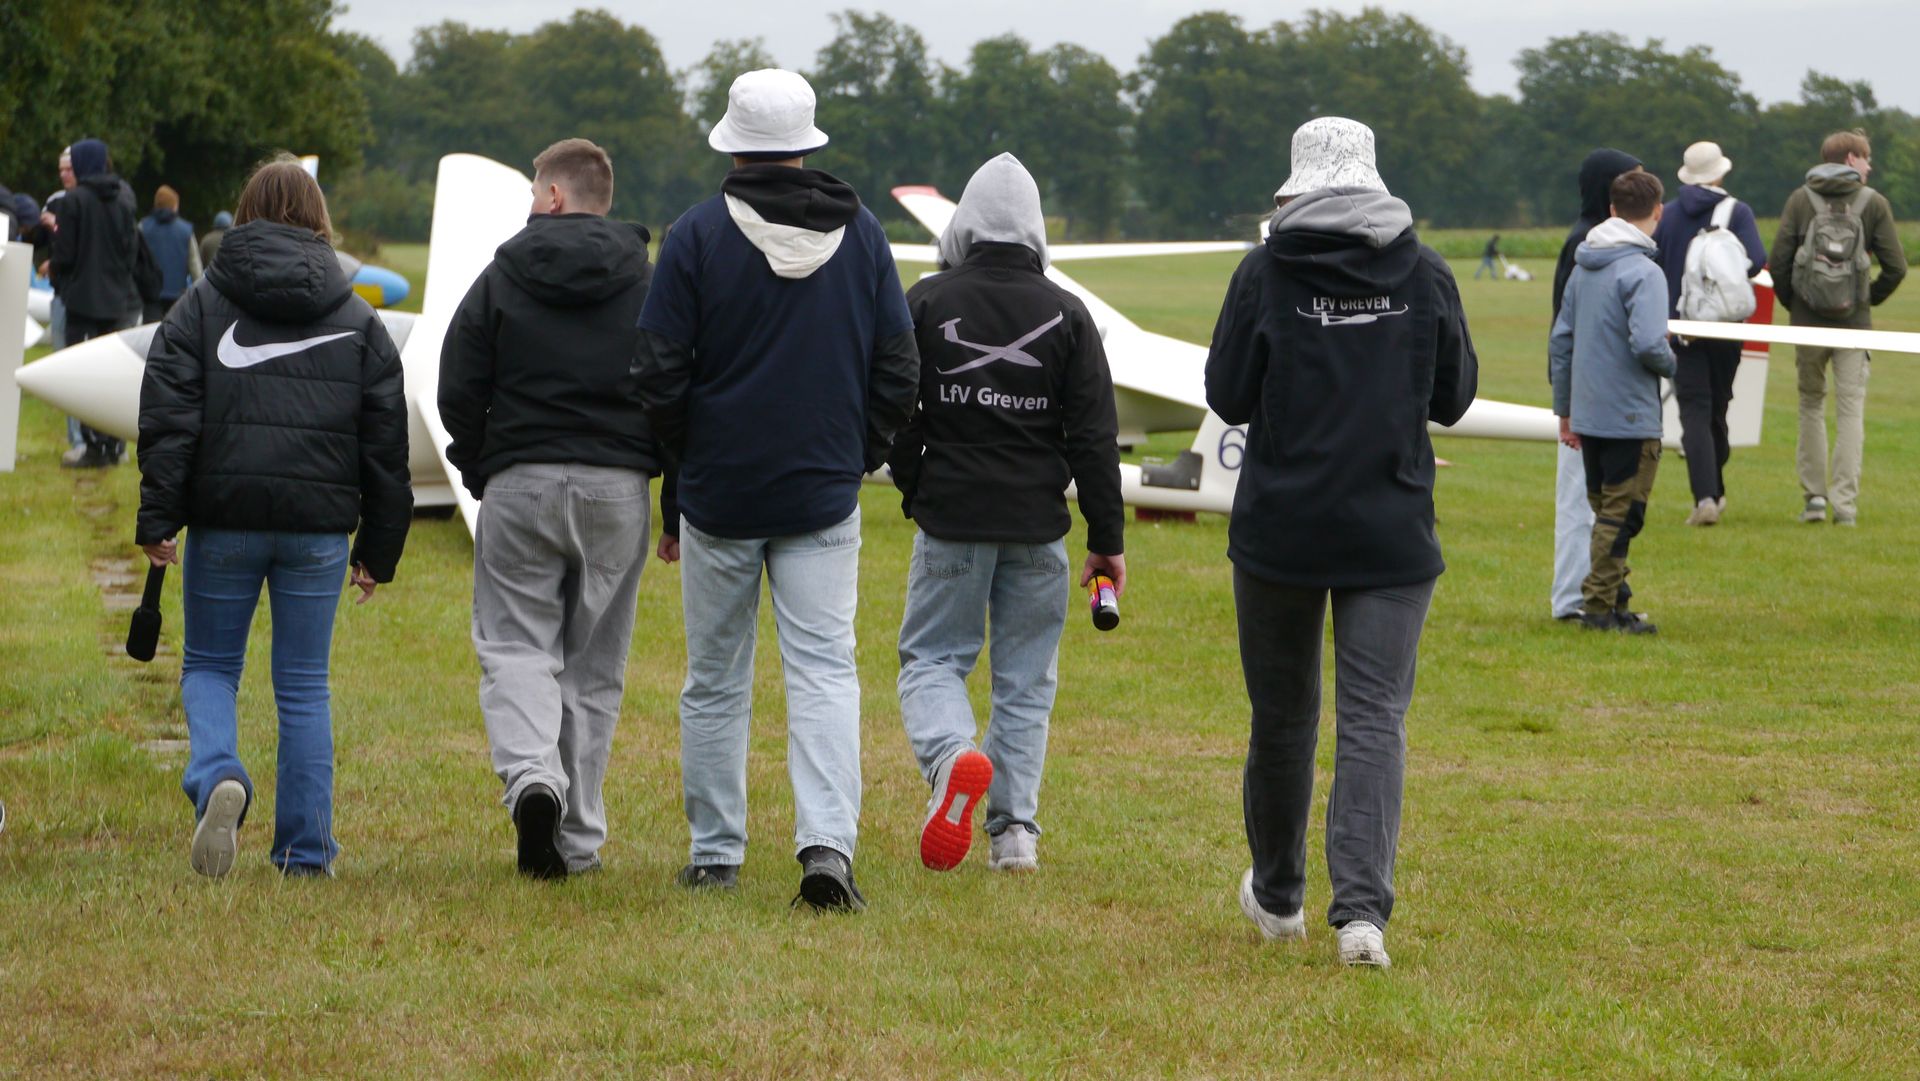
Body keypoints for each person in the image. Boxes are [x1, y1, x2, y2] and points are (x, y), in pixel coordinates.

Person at [634, 69, 919, 911]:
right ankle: (827, 847)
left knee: (714, 678)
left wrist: (689, 464)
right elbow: (898, 366)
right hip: (822, 492)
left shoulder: (693, 235)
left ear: (731, 142)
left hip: (721, 493)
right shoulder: (863, 234)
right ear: (806, 144)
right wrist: (857, 454)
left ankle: (715, 851)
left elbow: (658, 373)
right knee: (826, 671)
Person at [1206, 117, 1478, 969]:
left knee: (1282, 718)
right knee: (1373, 721)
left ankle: (1281, 895)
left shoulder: (1265, 271)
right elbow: (1455, 398)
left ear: (1296, 185)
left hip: (1283, 525)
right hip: (1391, 529)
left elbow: (1226, 389)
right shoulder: (1424, 269)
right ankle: (1361, 914)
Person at [134, 156, 412, 878]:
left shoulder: (199, 304)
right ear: (318, 217)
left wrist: (159, 517)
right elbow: (386, 442)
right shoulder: (359, 316)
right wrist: (378, 548)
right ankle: (306, 851)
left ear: (246, 211)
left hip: (223, 521)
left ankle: (218, 773)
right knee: (303, 683)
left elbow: (168, 418)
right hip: (318, 529)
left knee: (210, 665)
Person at [889, 153, 1125, 875]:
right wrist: (1107, 541)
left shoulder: (924, 301)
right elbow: (1093, 434)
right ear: (1035, 230)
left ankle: (953, 754)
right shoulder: (1069, 313)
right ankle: (1014, 832)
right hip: (1037, 527)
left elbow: (896, 405)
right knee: (1026, 679)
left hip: (951, 517)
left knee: (932, 658)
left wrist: (915, 484)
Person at [438, 138, 663, 879]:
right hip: (617, 487)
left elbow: (459, 380)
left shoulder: (503, 274)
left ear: (556, 196)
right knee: (595, 667)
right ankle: (581, 839)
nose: (530, 201)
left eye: (535, 188)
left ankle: (534, 778)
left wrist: (479, 467)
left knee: (514, 646)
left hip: (521, 478)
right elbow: (674, 381)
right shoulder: (647, 282)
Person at [1550, 170, 1675, 635]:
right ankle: (1599, 609)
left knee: (1605, 510)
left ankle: (1616, 601)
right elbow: (1648, 343)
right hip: (1630, 415)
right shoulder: (1644, 271)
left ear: (1612, 210)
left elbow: (1561, 342)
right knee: (1623, 516)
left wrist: (1566, 409)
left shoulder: (1585, 268)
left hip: (1588, 411)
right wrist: (1672, 362)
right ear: (1657, 212)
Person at [1769, 129, 1907, 527]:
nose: (1869, 165)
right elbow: (1896, 267)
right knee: (1850, 411)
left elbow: (1778, 262)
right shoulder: (1873, 202)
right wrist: (1867, 300)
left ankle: (1814, 499)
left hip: (1807, 323)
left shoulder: (1800, 199)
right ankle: (1845, 506)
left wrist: (1796, 305)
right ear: (1849, 159)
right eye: (1865, 157)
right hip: (1854, 325)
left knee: (1810, 406)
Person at [1651, 142, 1767, 526]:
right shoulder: (1738, 212)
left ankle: (1706, 496)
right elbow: (1756, 263)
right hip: (1727, 328)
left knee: (1694, 413)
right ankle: (1714, 491)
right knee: (1719, 409)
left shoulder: (1666, 216)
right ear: (1719, 173)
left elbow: (1656, 265)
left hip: (1681, 328)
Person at [1548, 149, 1642, 621]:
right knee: (1580, 506)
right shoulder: (1587, 244)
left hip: (1590, 392)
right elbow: (1568, 328)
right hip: (1588, 397)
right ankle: (1573, 601)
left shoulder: (1591, 241)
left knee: (1594, 506)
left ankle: (1594, 596)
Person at [48, 139, 138, 468]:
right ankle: (114, 442)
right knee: (112, 372)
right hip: (115, 300)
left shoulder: (74, 201)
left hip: (81, 300)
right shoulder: (124, 201)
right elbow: (131, 250)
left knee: (81, 374)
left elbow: (65, 253)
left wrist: (61, 281)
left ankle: (92, 445)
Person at [138, 185, 203, 323]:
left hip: (149, 297)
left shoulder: (143, 227)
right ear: (174, 206)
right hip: (177, 297)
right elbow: (195, 268)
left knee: (150, 339)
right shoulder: (186, 231)